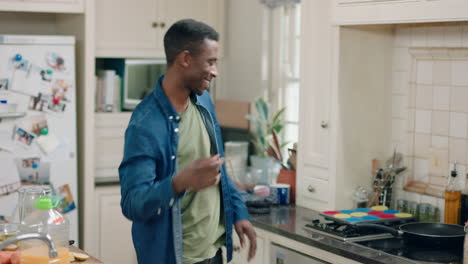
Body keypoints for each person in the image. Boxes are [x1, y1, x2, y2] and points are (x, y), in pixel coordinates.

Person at [119, 19, 256, 264]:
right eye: (211, 62)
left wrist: (238, 212)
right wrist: (179, 182)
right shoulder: (146, 124)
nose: (215, 72)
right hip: (175, 257)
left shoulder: (203, 102)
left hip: (213, 251)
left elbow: (218, 167)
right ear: (185, 59)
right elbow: (132, 204)